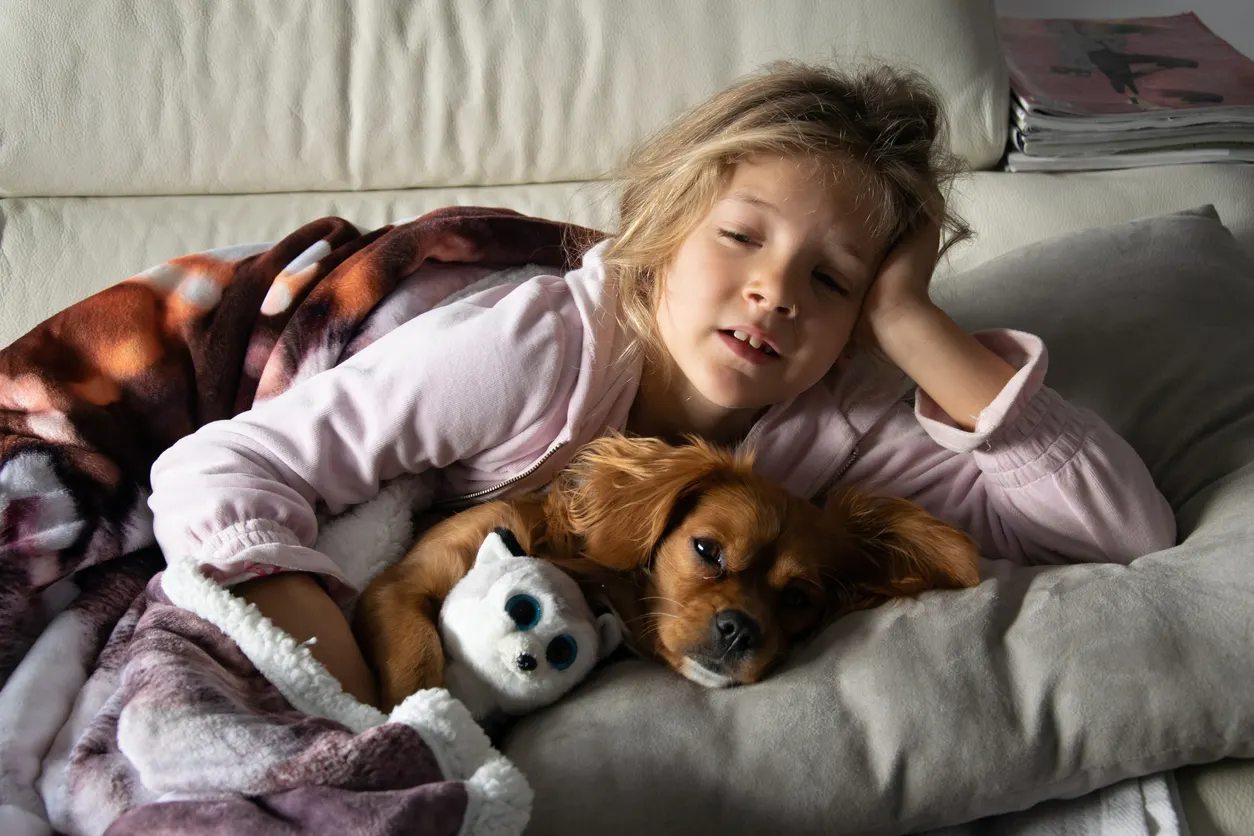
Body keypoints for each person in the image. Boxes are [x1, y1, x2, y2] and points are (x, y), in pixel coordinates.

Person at [148, 62, 1176, 707]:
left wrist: (913, 322)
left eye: (832, 279)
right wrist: (349, 692)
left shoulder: (845, 410)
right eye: (740, 237)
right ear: (664, 231)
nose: (774, 292)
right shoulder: (534, 349)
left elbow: (1126, 530)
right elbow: (227, 462)